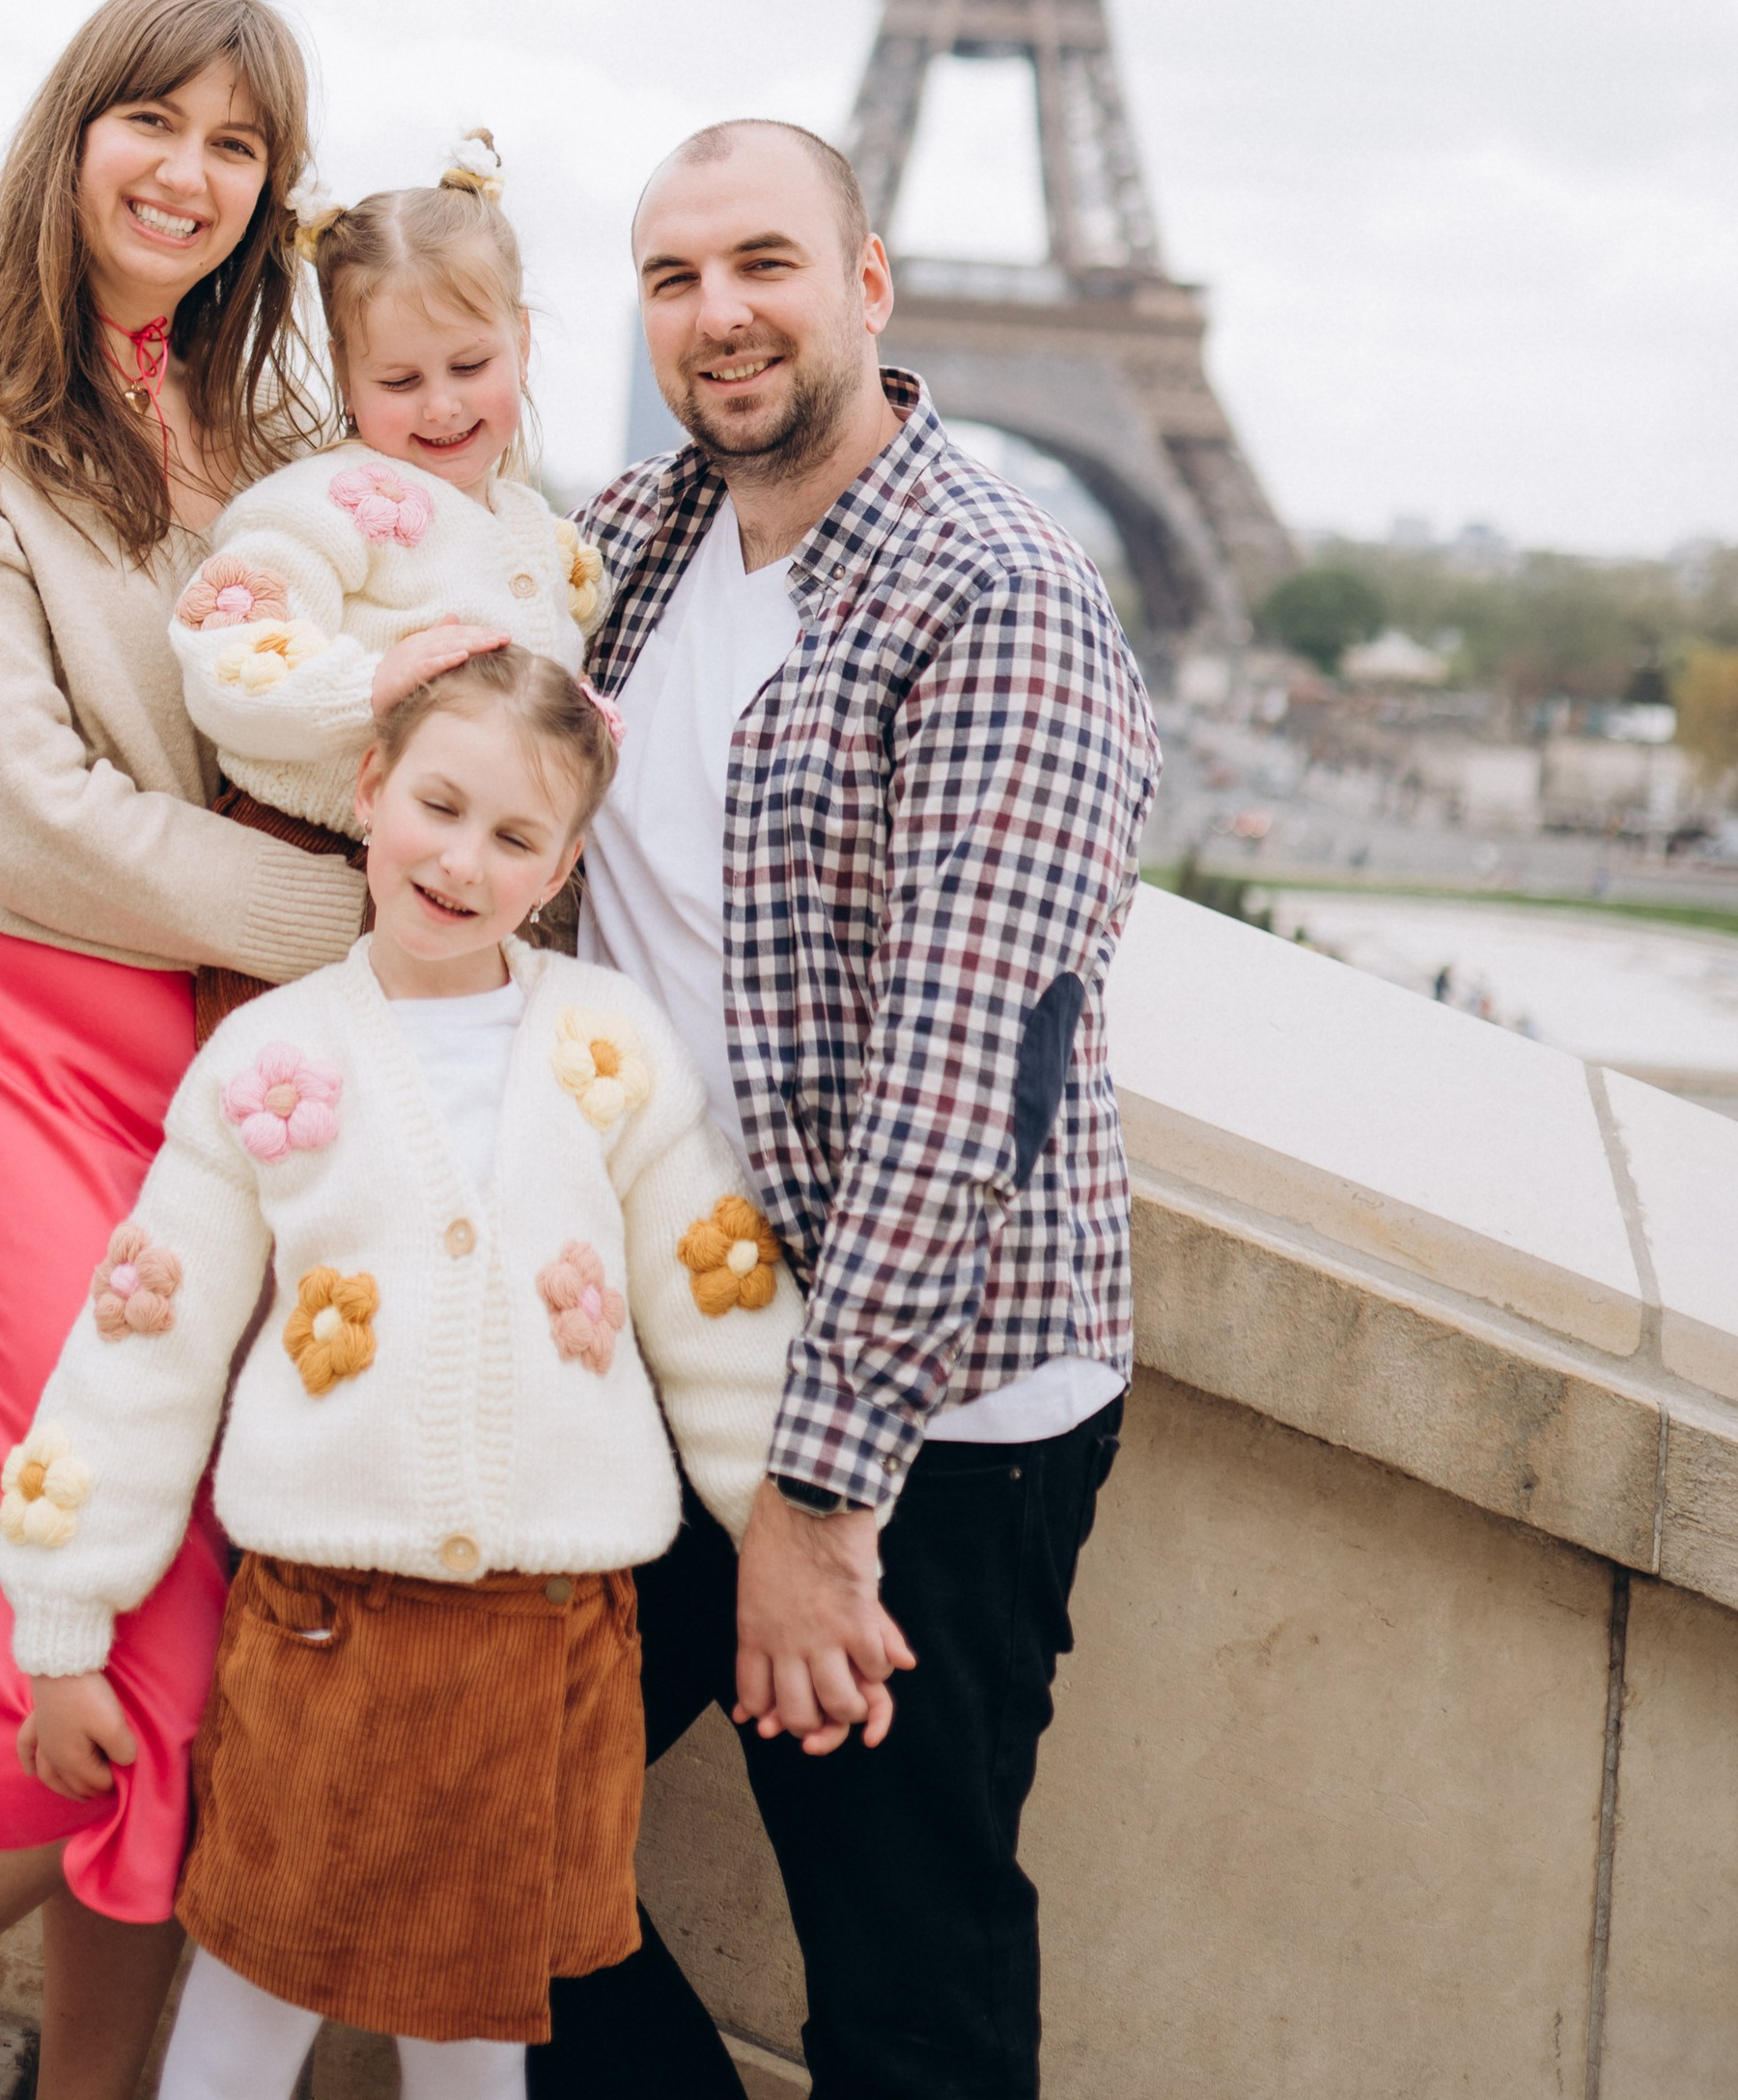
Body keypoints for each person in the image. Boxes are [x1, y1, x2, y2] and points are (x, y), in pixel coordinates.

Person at [0, 0, 373, 2100]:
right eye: (153, 124)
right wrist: (346, 920)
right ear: (70, 133)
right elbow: (23, 806)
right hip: (28, 1043)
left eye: (236, 147)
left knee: (177, 1608)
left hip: (237, 1087)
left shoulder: (279, 459)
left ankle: (92, 2089)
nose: (187, 175)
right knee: (115, 1603)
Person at [535, 119, 1158, 2100]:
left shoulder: (1000, 596)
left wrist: (817, 1503)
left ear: (866, 285)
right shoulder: (629, 546)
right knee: (482, 1831)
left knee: (903, 1976)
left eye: (761, 264)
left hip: (927, 1422)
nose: (715, 315)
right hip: (662, 1350)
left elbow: (958, 1084)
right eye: (668, 278)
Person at [0, 642, 807, 2100]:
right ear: (370, 791)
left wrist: (788, 1538)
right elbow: (148, 1338)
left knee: (476, 2021)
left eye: (514, 838)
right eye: (439, 806)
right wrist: (62, 1619)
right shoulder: (273, 1059)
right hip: (324, 1628)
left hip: (546, 1635)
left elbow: (721, 1307)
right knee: (253, 1990)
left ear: (562, 869)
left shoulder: (609, 1046)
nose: (461, 860)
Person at [167, 132, 606, 1037]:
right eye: (400, 380)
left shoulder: (535, 529)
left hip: (474, 898)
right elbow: (227, 646)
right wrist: (366, 687)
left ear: (520, 340)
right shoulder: (317, 504)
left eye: (471, 367)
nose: (442, 406)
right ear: (345, 375)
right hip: (318, 865)